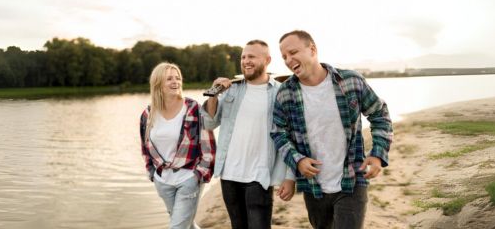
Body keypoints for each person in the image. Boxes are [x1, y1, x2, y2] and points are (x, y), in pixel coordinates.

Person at [271, 30, 393, 229]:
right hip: (313, 186)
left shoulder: (351, 81)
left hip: (351, 181)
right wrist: (297, 160)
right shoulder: (285, 93)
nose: (288, 59)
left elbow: (380, 115)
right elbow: (278, 133)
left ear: (312, 49)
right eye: (284, 56)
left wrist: (378, 154)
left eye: (293, 52)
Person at [200, 40, 296, 229]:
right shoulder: (232, 89)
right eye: (243, 57)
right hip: (229, 175)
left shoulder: (280, 92)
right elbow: (209, 123)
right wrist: (214, 95)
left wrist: (290, 176)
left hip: (259, 175)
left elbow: (290, 136)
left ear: (267, 60)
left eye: (251, 56)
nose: (246, 61)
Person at [139, 62, 216, 229]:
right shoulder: (148, 114)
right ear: (158, 83)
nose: (175, 82)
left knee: (178, 226)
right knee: (186, 224)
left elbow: (208, 144)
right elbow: (145, 148)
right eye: (169, 79)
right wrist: (152, 173)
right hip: (163, 181)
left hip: (188, 178)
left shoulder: (192, 108)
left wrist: (198, 175)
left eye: (178, 78)